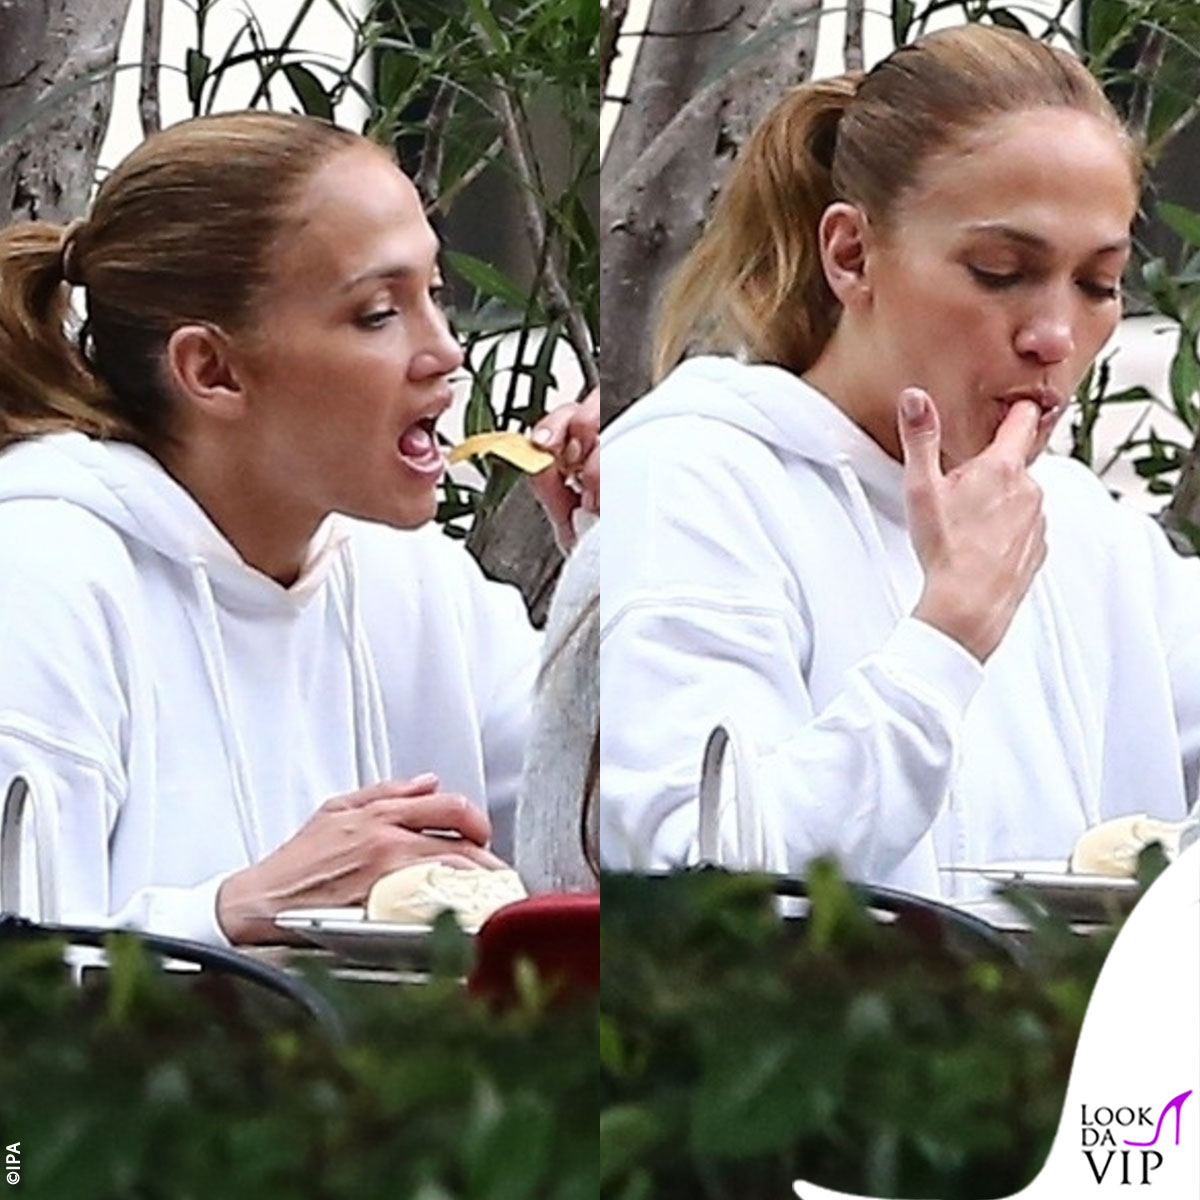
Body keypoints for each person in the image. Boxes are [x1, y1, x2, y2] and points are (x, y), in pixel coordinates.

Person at [599, 24, 1198, 899]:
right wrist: (948, 633)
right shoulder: (695, 479)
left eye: (1098, 284)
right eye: (1000, 271)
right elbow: (703, 886)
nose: (1054, 335)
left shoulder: (1080, 524)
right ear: (851, 256)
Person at [0, 111, 598, 944]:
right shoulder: (41, 575)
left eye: (436, 295)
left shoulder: (415, 578)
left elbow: (606, 855)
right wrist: (235, 912)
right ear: (212, 369)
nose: (446, 352)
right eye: (378, 313)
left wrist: (615, 562)